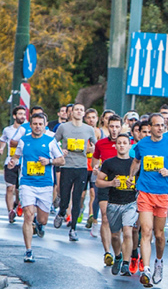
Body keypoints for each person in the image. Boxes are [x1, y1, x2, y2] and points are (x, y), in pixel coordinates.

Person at [129, 113, 168, 288]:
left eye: (163, 125)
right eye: (157, 125)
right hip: (145, 191)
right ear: (150, 127)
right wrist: (131, 176)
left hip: (162, 193)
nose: (161, 128)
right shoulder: (142, 144)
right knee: (146, 231)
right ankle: (146, 269)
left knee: (159, 235)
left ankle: (158, 262)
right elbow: (136, 161)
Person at [8, 113, 65, 262]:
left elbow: (62, 160)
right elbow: (16, 156)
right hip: (27, 183)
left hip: (45, 184)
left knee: (43, 219)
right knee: (28, 214)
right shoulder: (24, 140)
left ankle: (39, 225)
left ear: (45, 126)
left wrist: (49, 161)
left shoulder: (50, 141)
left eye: (40, 124)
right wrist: (13, 162)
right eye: (35, 124)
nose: (37, 127)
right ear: (30, 125)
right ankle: (28, 250)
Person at [53, 103, 97, 242]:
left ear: (84, 113)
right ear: (71, 113)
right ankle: (61, 212)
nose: (78, 112)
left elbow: (96, 146)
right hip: (67, 166)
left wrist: (90, 150)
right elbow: (53, 143)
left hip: (82, 167)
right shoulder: (63, 127)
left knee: (77, 198)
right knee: (65, 197)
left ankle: (73, 229)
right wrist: (61, 152)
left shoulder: (89, 129)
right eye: (76, 109)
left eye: (81, 110)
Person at [95, 134, 137, 277]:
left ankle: (126, 263)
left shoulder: (135, 163)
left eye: (125, 143)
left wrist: (135, 184)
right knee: (115, 235)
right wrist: (111, 183)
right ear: (116, 145)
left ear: (129, 146)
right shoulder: (109, 163)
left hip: (130, 203)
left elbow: (142, 182)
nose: (122, 145)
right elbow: (98, 182)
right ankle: (118, 256)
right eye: (119, 143)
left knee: (127, 231)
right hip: (113, 203)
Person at [91, 115, 124, 263]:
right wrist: (96, 168)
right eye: (112, 126)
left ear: (121, 127)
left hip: (122, 186)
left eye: (117, 126)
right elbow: (94, 162)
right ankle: (107, 252)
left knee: (120, 222)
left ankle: (119, 247)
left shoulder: (127, 143)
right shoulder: (101, 143)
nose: (114, 129)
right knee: (105, 217)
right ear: (107, 126)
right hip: (105, 183)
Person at [0, 106, 27, 223]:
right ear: (15, 116)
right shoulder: (8, 130)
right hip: (10, 162)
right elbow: (3, 141)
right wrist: (1, 149)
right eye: (20, 114)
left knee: (18, 190)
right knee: (10, 187)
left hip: (23, 163)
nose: (22, 116)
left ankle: (17, 204)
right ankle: (11, 211)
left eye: (24, 114)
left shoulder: (27, 129)